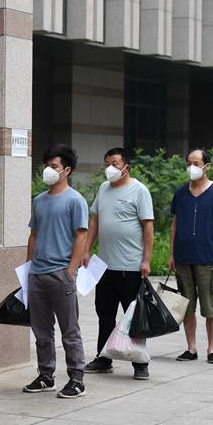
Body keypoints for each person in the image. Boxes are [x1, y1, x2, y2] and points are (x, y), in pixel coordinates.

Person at [23, 144, 89, 398]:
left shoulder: (75, 200)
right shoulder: (39, 200)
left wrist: (70, 270)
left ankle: (77, 378)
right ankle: (46, 375)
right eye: (47, 166)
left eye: (54, 167)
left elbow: (80, 236)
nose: (48, 171)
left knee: (69, 330)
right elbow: (34, 235)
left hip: (61, 272)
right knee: (41, 330)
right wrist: (28, 267)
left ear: (66, 170)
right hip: (37, 274)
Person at [83, 148, 155, 379]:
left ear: (126, 167)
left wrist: (146, 259)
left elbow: (148, 227)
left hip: (131, 267)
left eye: (115, 163)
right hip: (105, 266)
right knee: (104, 313)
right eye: (107, 164)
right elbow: (94, 221)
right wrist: (86, 250)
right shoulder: (104, 189)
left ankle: (139, 363)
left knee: (133, 316)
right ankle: (104, 358)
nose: (110, 168)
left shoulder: (139, 190)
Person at [169, 148, 213, 364]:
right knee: (187, 306)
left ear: (207, 166)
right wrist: (171, 254)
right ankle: (191, 348)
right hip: (183, 258)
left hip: (209, 258)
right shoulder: (180, 192)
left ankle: (212, 349)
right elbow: (174, 224)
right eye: (189, 163)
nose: (192, 167)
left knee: (210, 307)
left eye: (196, 163)